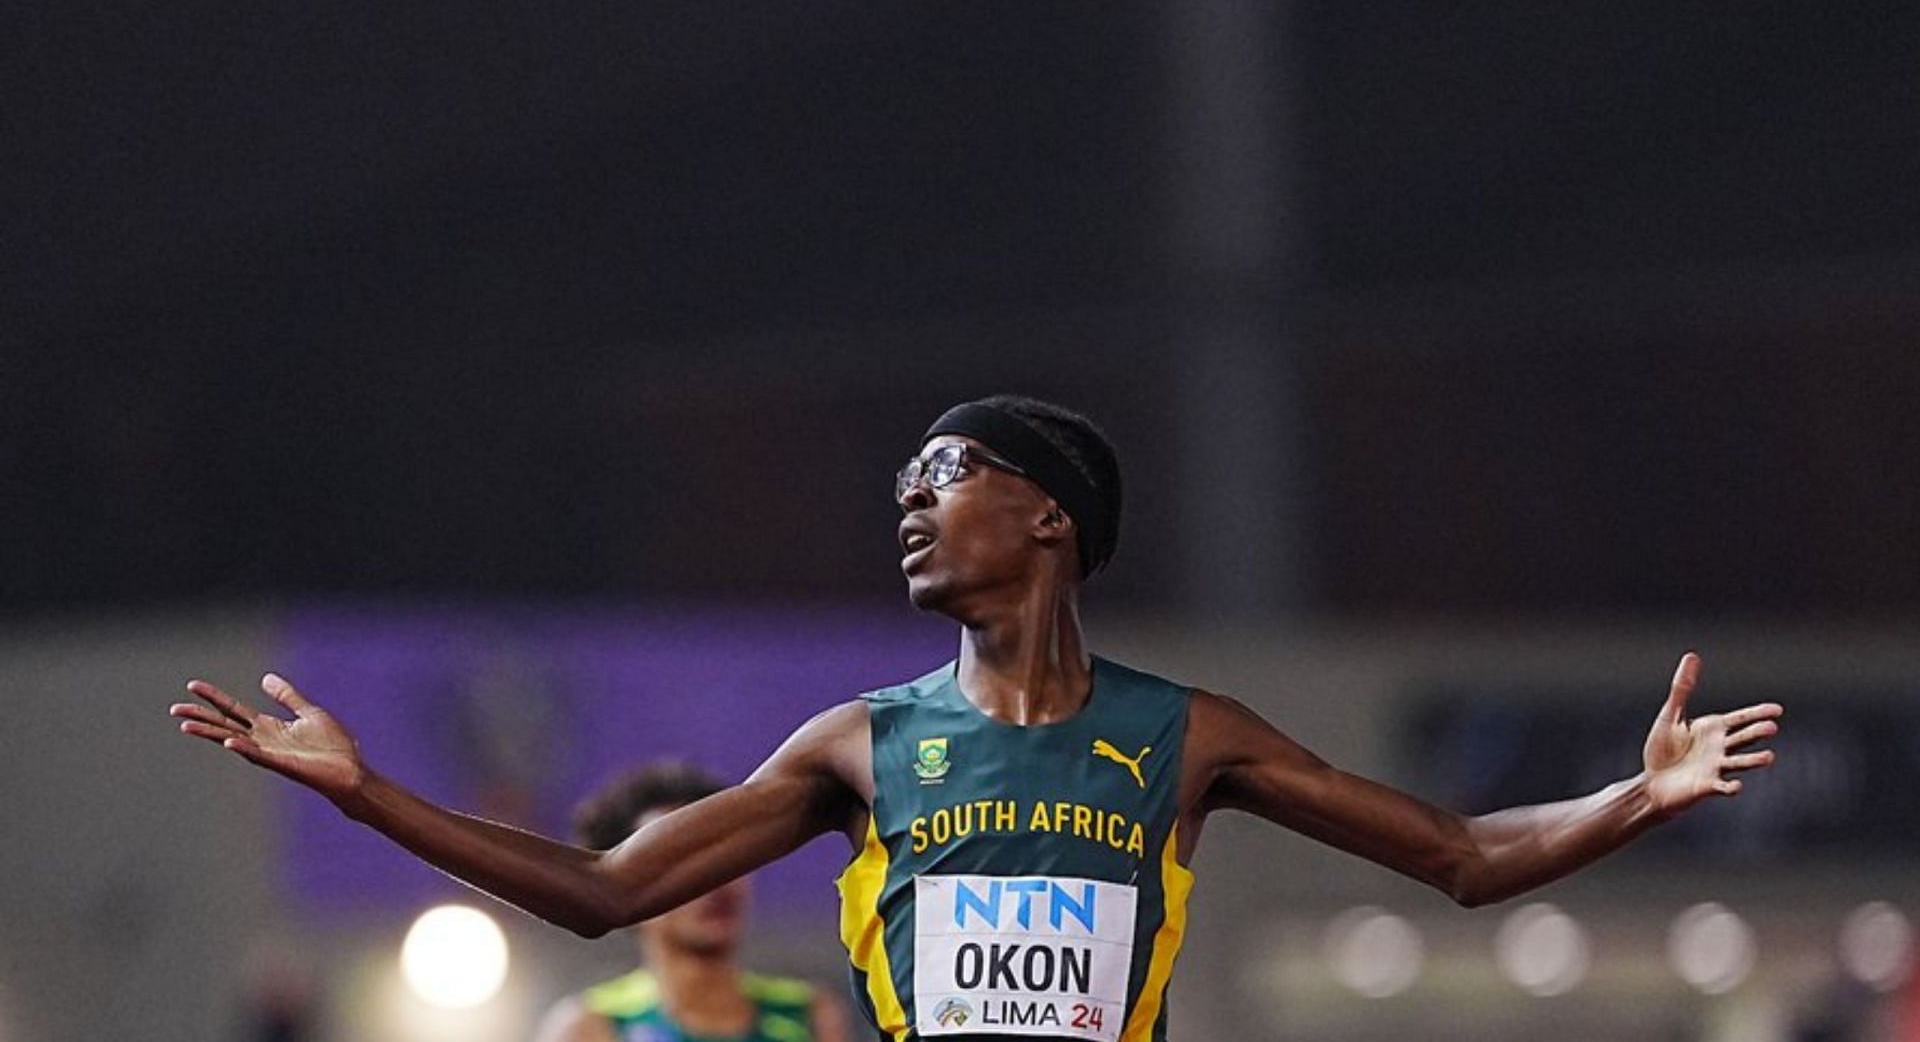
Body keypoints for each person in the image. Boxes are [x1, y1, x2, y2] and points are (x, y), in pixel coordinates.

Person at [173, 394, 1785, 1042]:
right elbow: (604, 893)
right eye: (903, 491)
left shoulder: (1187, 734)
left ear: (1052, 519)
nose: (910, 510)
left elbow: (1457, 854)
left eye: (943, 481)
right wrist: (366, 791)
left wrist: (1632, 802)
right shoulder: (856, 745)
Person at [532, 761, 850, 1042]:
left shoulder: (810, 1017)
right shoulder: (591, 1029)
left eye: (728, 859)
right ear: (624, 895)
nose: (714, 883)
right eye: (680, 867)